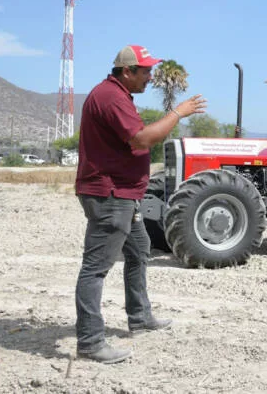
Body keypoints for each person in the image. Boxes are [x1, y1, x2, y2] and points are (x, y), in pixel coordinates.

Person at [74, 45, 207, 364]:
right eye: (145, 71)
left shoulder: (116, 95)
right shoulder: (111, 97)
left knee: (139, 249)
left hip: (123, 193)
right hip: (111, 194)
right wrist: (178, 113)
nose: (151, 77)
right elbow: (142, 139)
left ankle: (140, 316)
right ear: (127, 71)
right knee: (95, 268)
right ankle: (90, 342)